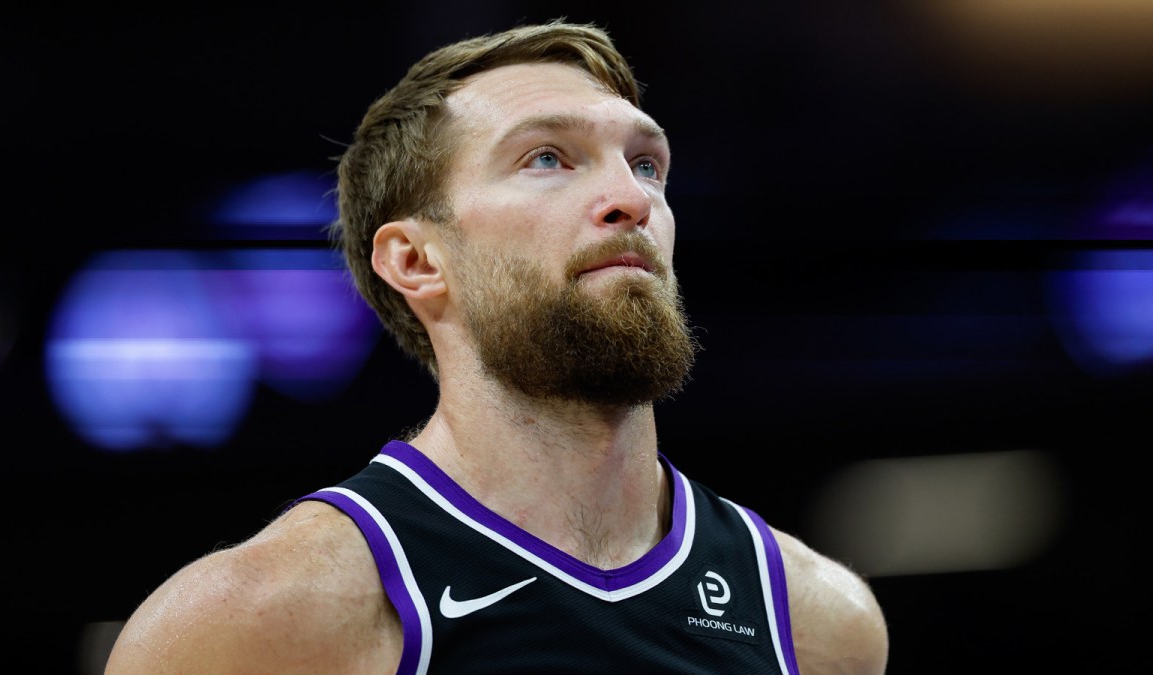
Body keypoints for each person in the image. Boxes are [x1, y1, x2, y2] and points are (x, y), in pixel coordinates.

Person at [105, 19, 889, 674]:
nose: (630, 199)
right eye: (546, 158)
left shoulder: (819, 621)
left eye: (646, 163)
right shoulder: (253, 624)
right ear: (416, 261)